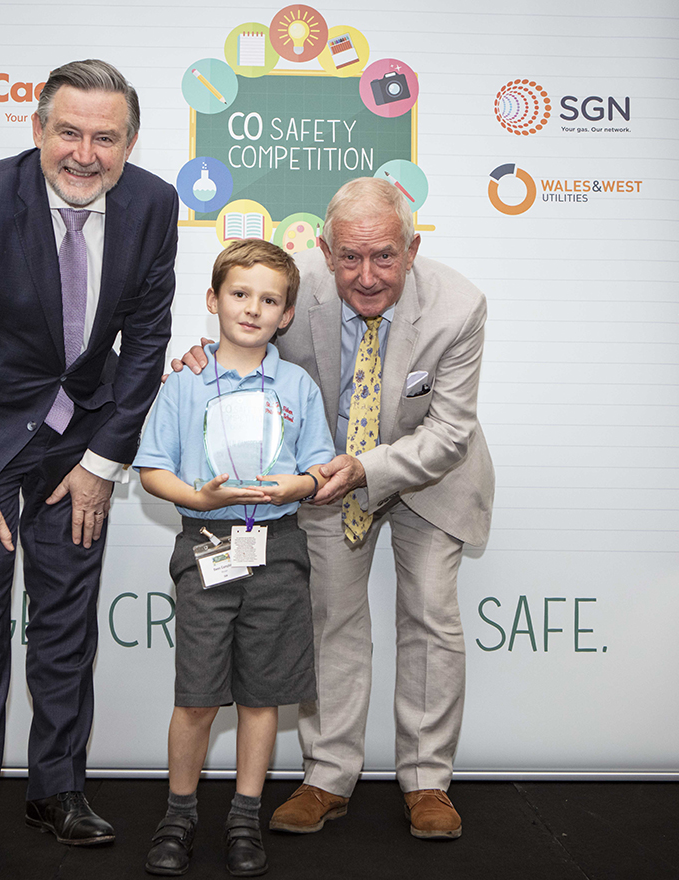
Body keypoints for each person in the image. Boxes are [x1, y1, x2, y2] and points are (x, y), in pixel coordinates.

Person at [0, 59, 179, 874]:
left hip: (79, 445)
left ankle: (57, 788)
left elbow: (146, 341)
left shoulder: (154, 203)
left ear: (129, 142)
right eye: (68, 132)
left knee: (66, 619)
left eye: (106, 137)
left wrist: (106, 460)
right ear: (38, 129)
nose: (84, 153)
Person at [176, 177, 494, 841]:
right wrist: (207, 361)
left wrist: (367, 469)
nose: (367, 275)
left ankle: (427, 780)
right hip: (325, 474)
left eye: (384, 256)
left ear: (411, 249)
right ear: (325, 250)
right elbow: (249, 349)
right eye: (349, 257)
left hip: (430, 472)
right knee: (329, 617)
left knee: (431, 613)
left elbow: (448, 432)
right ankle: (326, 775)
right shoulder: (296, 294)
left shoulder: (459, 306)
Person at [135, 240, 336, 876]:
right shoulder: (187, 380)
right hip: (207, 546)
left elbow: (317, 468)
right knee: (196, 694)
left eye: (269, 300)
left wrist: (297, 488)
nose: (252, 308)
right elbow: (151, 469)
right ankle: (179, 813)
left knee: (261, 693)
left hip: (277, 548)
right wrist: (197, 495)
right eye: (239, 294)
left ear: (286, 314)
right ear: (213, 300)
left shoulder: (297, 385)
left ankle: (245, 817)